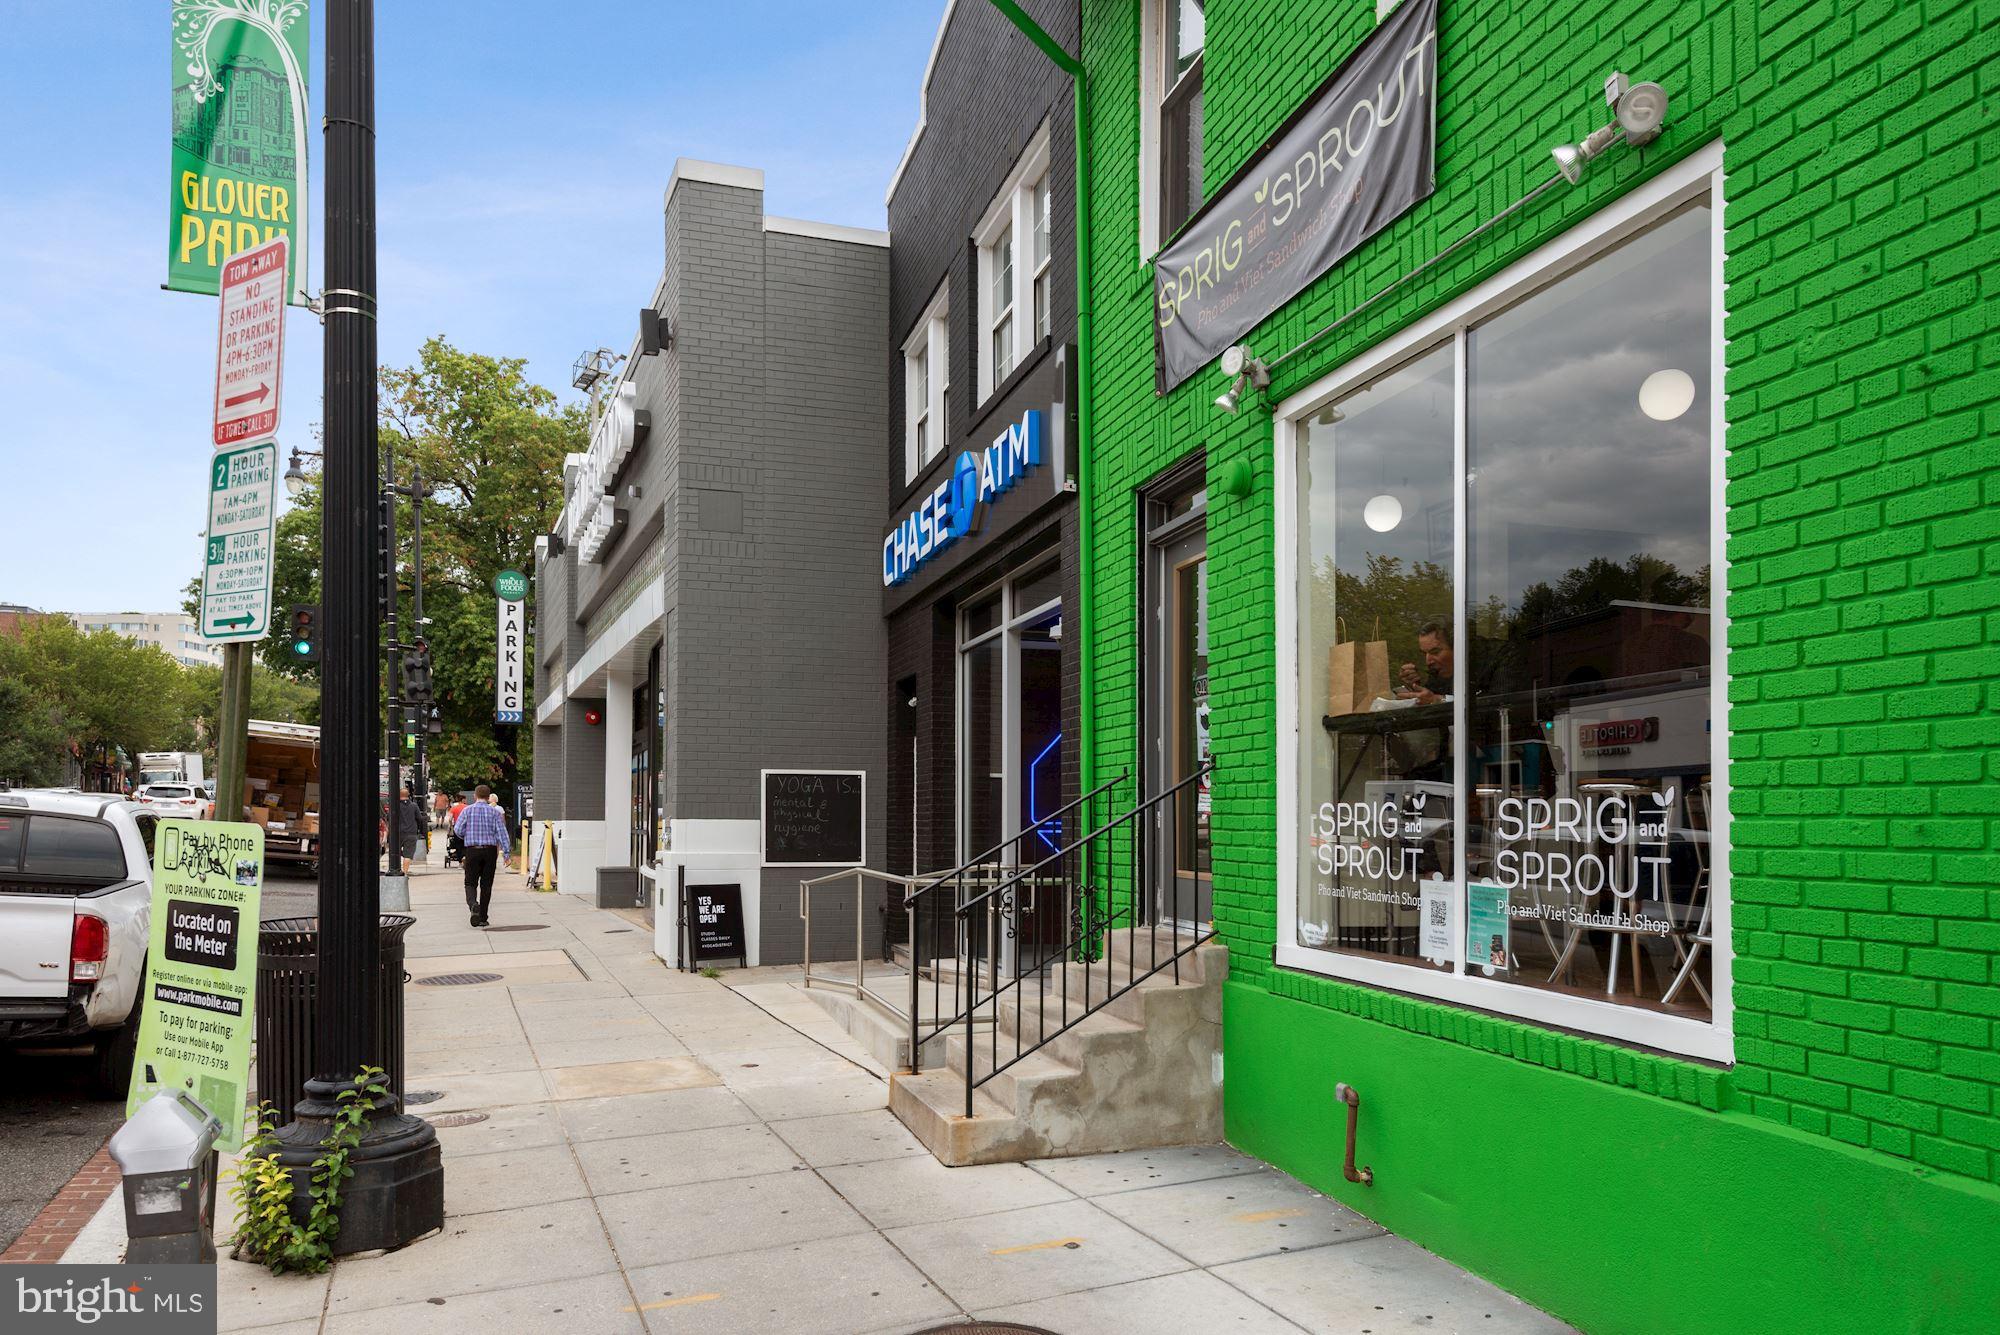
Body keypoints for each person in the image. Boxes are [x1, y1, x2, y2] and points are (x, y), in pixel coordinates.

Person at [454, 783, 510, 927]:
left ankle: (473, 905)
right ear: (488, 797)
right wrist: (506, 854)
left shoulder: (467, 811)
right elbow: (502, 833)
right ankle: (483, 917)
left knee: (470, 882)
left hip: (472, 850)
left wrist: (467, 835)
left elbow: (458, 830)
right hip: (490, 850)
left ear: (475, 796)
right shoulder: (495, 813)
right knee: (486, 885)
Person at [394, 784, 425, 873]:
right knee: (408, 854)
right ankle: (405, 873)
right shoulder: (414, 806)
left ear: (399, 795)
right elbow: (419, 818)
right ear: (408, 795)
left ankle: (396, 870)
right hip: (411, 833)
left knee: (395, 853)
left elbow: (390, 818)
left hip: (398, 833)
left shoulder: (395, 806)